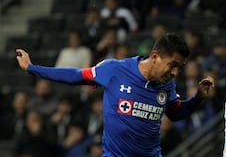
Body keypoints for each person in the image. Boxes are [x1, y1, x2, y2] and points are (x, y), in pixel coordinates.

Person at [16, 32, 215, 157]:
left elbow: (175, 113)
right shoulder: (114, 70)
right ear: (155, 56)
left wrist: (198, 97)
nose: (175, 73)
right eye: (172, 65)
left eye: (179, 68)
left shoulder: (167, 84)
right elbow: (75, 75)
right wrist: (33, 68)